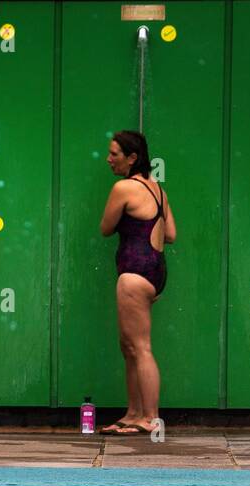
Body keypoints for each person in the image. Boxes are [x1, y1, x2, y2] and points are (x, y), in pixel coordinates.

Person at [97, 131, 175, 437]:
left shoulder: (124, 188)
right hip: (155, 270)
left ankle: (150, 418)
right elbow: (170, 235)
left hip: (133, 271)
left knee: (140, 347)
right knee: (128, 346)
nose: (109, 159)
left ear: (132, 158)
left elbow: (105, 228)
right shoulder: (158, 190)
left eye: (114, 154)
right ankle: (133, 413)